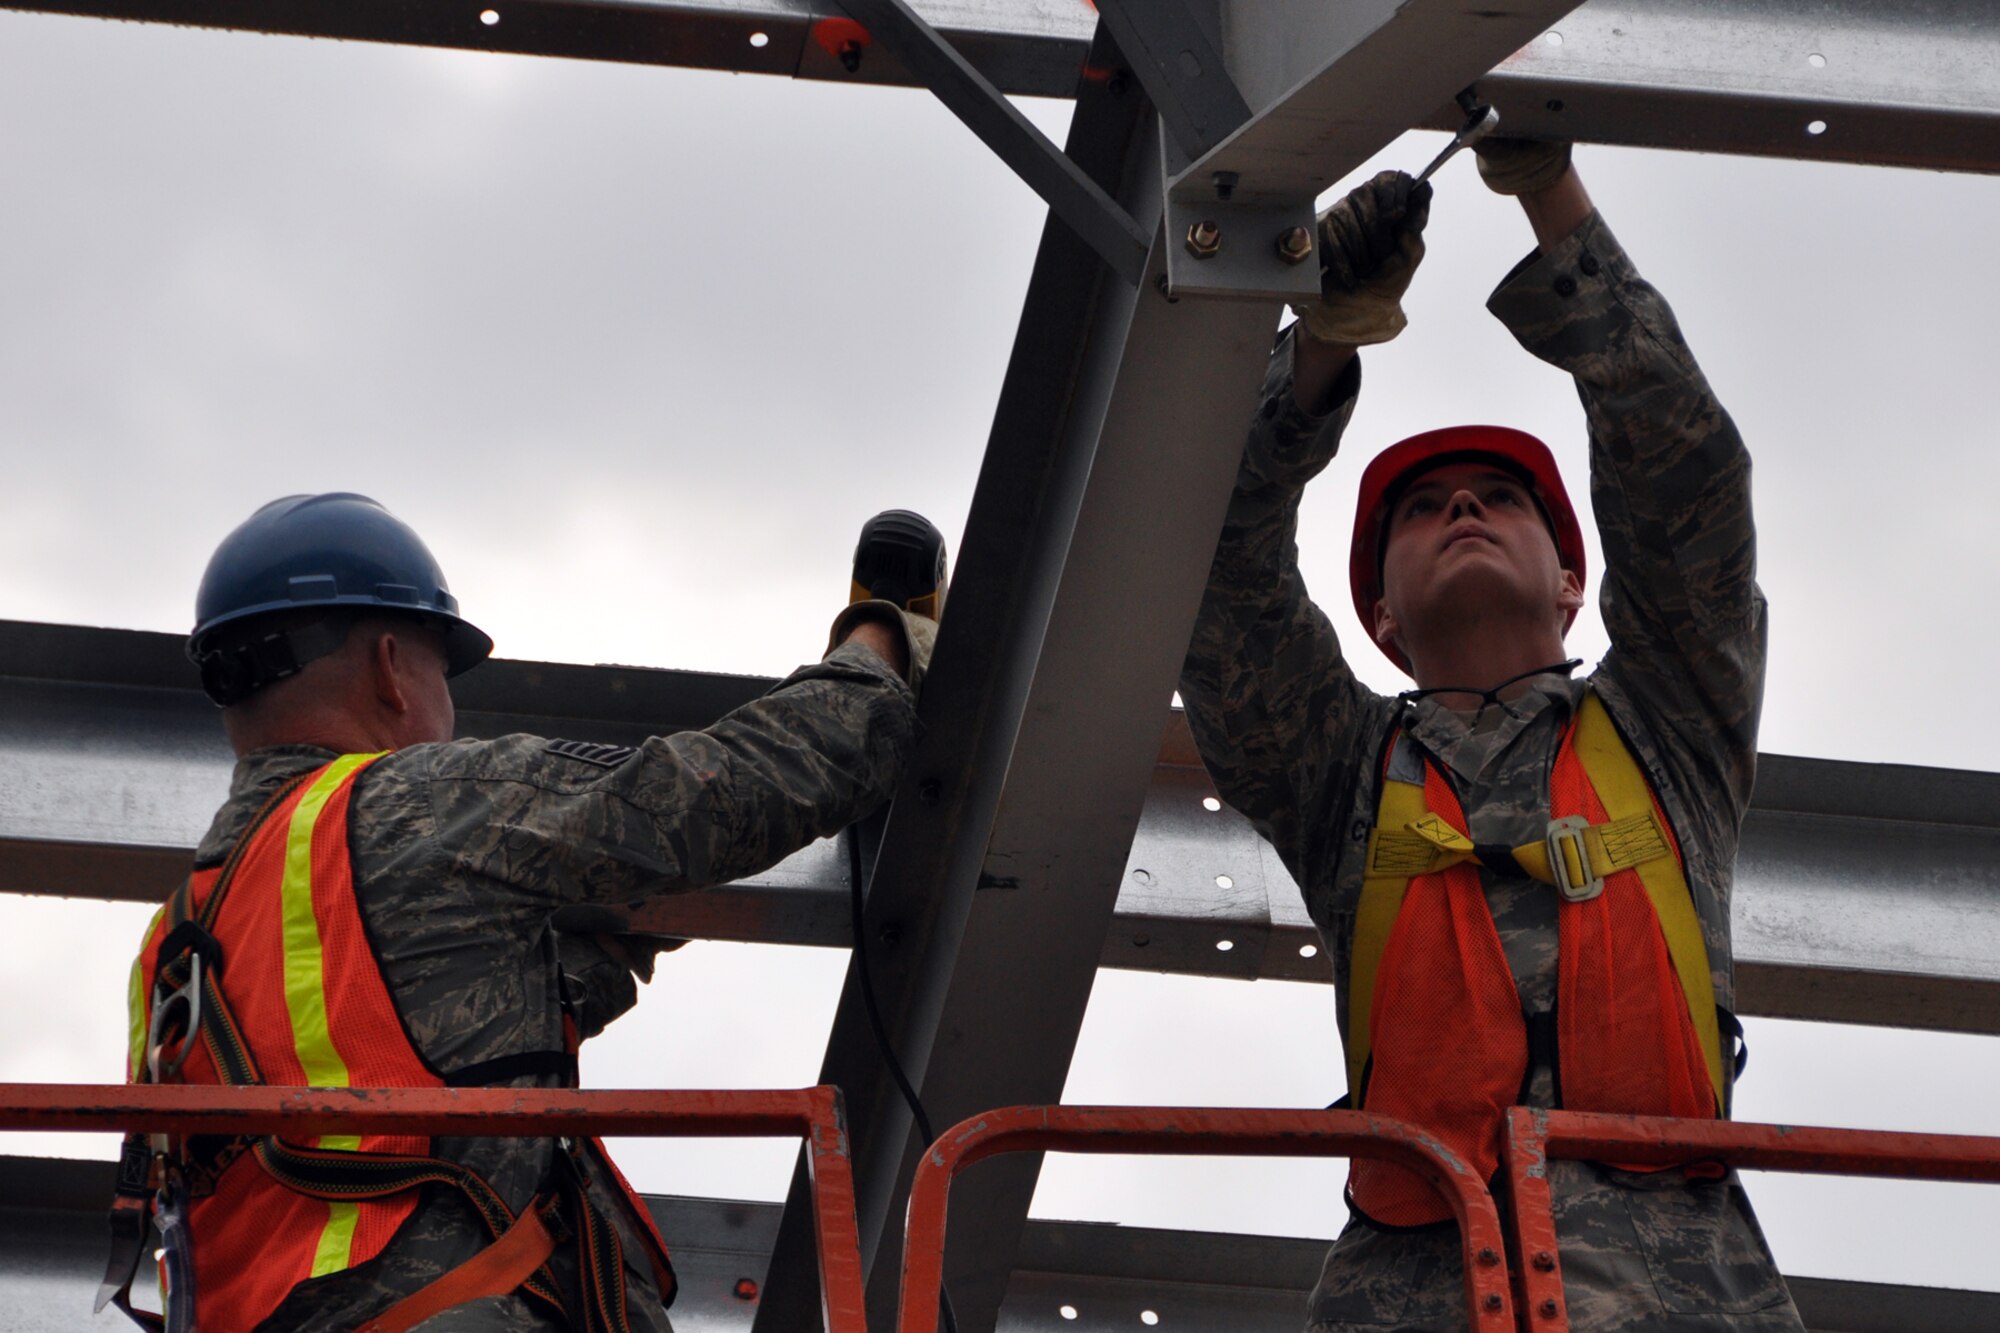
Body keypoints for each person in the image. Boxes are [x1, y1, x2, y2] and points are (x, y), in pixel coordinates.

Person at [1178, 144, 1804, 1331]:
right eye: (1419, 510)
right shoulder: (1339, 776)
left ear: (1571, 582)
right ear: (1376, 615)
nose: (1461, 506)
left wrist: (1547, 194)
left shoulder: (1670, 723)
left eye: (1500, 497)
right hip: (1413, 1288)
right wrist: (1317, 345)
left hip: (1678, 1291)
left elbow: (1685, 477)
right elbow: (1213, 581)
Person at [109, 492, 935, 1332]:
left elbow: (477, 1017)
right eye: (441, 667)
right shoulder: (414, 805)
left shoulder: (179, 941)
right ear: (392, 666)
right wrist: (880, 647)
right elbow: (712, 796)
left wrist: (638, 911)